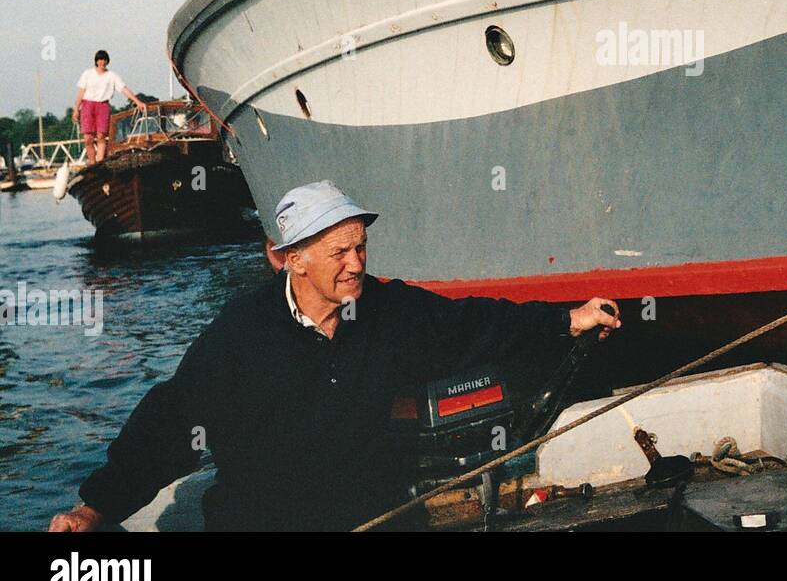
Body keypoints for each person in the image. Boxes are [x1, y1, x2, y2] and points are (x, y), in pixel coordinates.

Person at [48, 180, 620, 532]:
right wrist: (94, 509)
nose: (356, 263)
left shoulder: (389, 313)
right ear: (290, 259)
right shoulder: (240, 335)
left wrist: (568, 319)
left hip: (372, 519)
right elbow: (171, 422)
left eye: (361, 247)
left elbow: (476, 324)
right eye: (339, 251)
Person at [73, 51, 148, 165]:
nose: (102, 62)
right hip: (88, 105)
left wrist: (137, 101)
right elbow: (81, 92)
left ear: (107, 61)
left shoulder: (112, 76)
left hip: (103, 105)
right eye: (100, 60)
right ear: (96, 61)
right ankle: (92, 163)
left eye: (104, 60)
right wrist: (76, 109)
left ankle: (99, 162)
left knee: (101, 136)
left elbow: (123, 89)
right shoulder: (88, 74)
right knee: (88, 138)